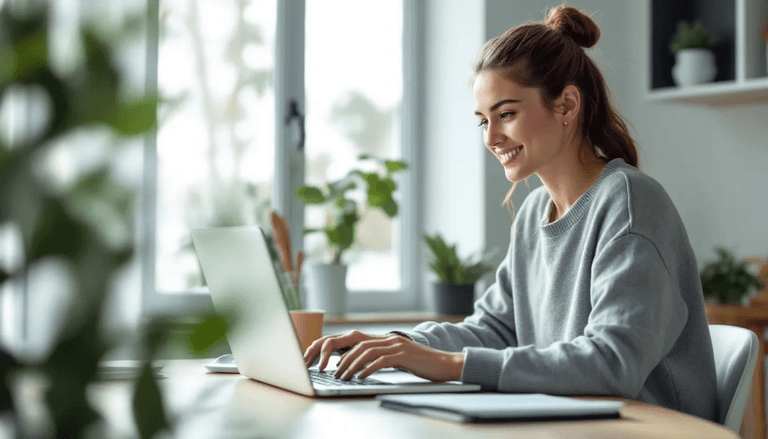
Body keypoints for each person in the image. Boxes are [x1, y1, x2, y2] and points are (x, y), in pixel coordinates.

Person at [303, 5, 718, 422]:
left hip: (648, 430)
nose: (491, 137)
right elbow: (496, 329)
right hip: (572, 426)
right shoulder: (536, 209)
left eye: (506, 114)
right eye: (483, 120)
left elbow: (612, 363)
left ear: (567, 106)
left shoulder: (629, 202)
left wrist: (448, 365)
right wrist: (397, 344)